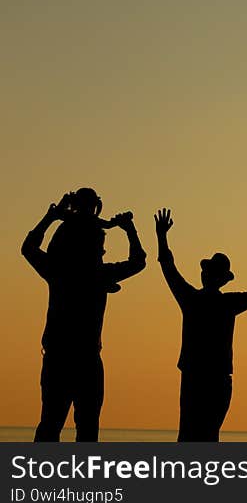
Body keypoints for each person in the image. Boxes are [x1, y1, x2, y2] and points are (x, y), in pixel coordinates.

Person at [23, 189, 147, 442]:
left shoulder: (59, 270)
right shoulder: (98, 274)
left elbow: (28, 248)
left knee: (51, 424)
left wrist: (50, 218)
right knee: (86, 427)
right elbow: (138, 261)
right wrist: (129, 229)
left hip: (60, 356)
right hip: (85, 358)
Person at [154, 208, 247, 442]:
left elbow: (168, 266)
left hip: (199, 376)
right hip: (213, 377)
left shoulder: (194, 299)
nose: (205, 275)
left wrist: (162, 236)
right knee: (207, 434)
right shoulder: (224, 302)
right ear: (222, 279)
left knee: (192, 434)